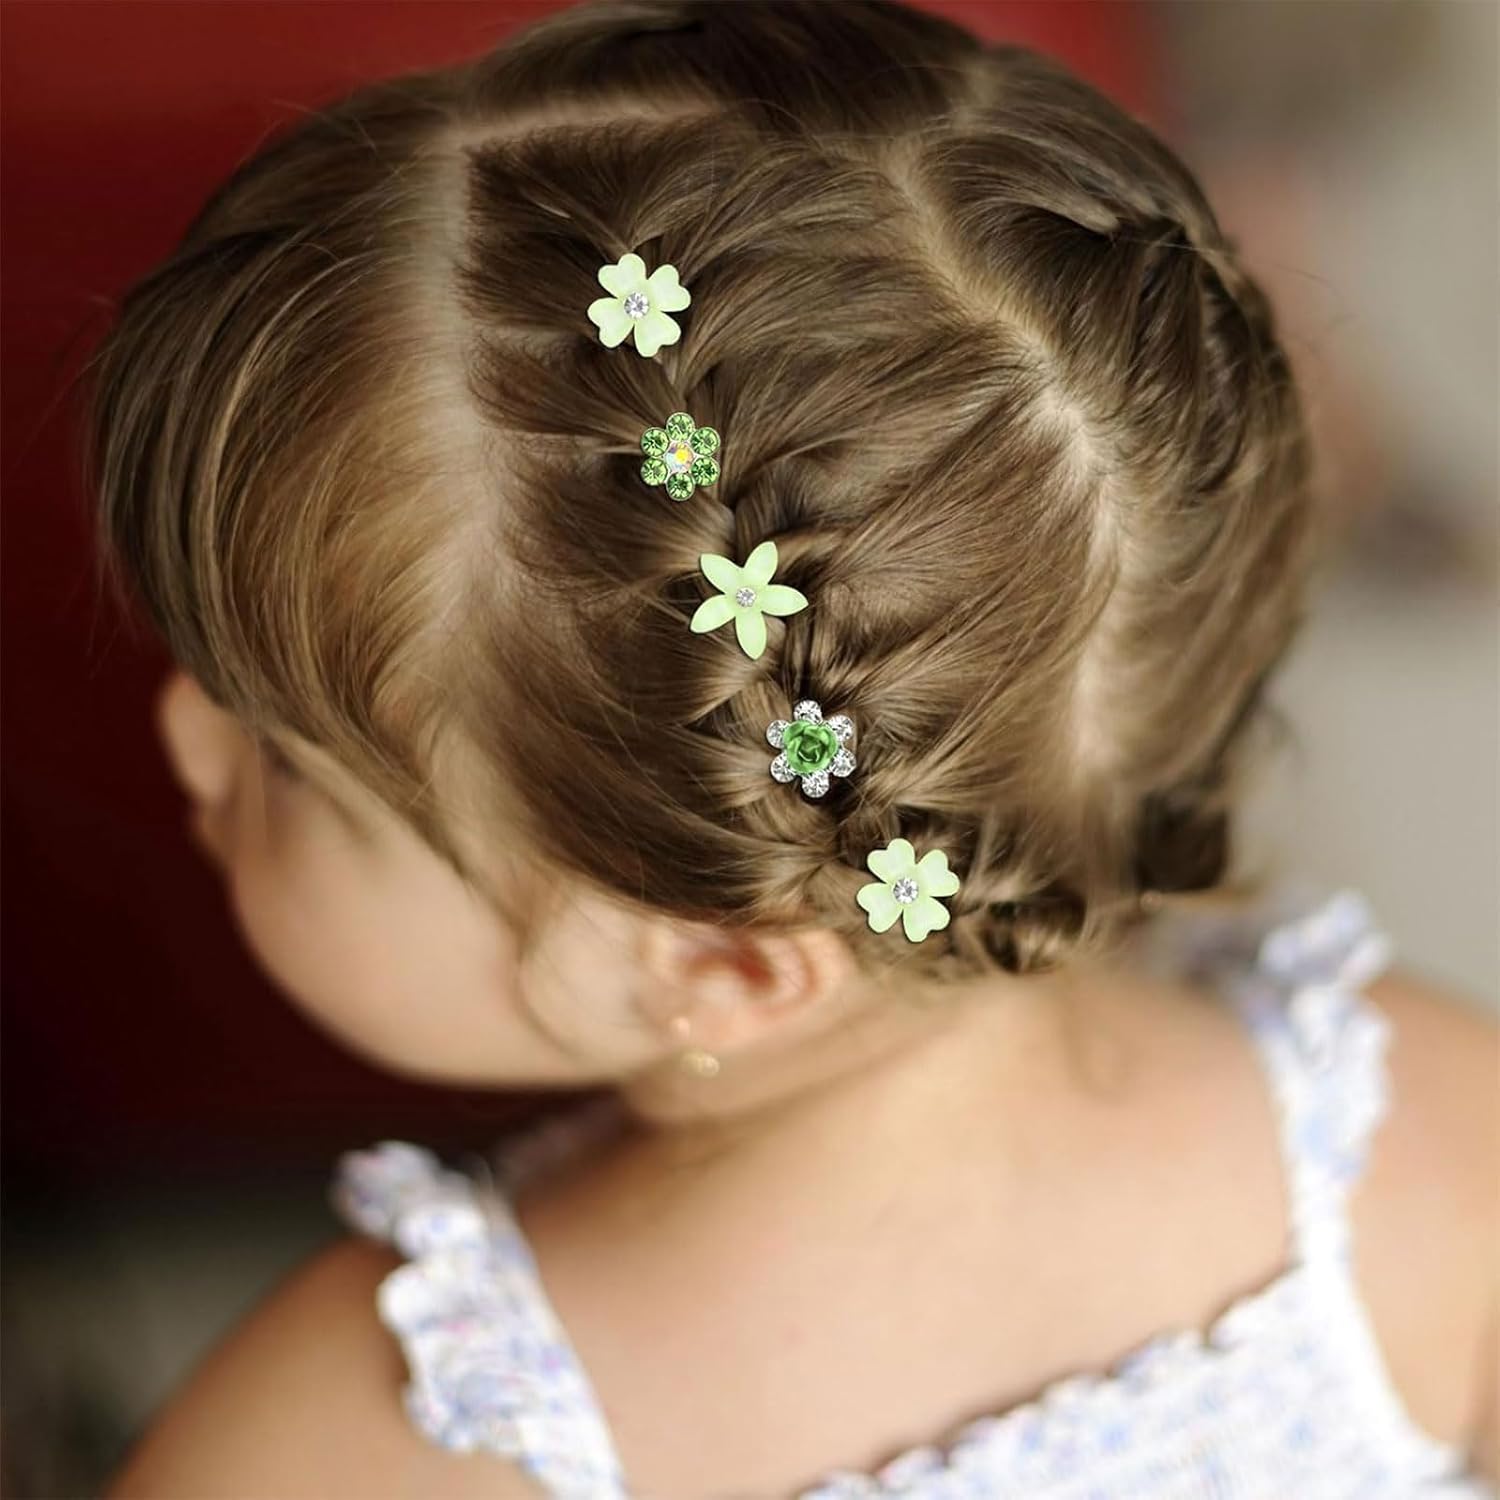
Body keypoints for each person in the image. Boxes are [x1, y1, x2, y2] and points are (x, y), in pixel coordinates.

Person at [90, 2, 1495, 1495]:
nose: (182, 733)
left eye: (291, 762)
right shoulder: (1423, 1141)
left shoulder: (360, 1439)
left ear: (725, 969)